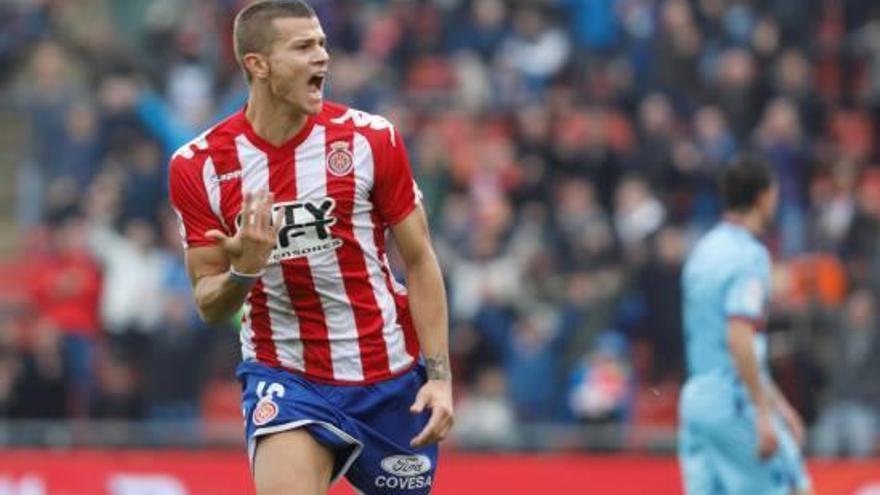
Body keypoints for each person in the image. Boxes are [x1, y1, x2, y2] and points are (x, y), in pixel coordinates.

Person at [167, 2, 453, 494]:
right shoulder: (199, 166)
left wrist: (441, 376)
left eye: (322, 43)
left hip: (389, 376)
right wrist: (244, 271)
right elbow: (209, 303)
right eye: (303, 47)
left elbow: (421, 260)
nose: (322, 57)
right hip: (286, 374)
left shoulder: (370, 140)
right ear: (258, 65)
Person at [678, 157, 812, 495]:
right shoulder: (749, 256)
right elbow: (739, 338)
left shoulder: (703, 250)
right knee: (796, 488)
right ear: (764, 197)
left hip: (696, 398)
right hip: (732, 398)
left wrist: (780, 406)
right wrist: (764, 414)